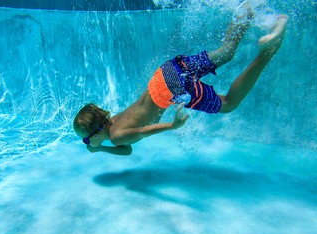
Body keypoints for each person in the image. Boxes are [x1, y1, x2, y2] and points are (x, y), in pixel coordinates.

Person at [73, 3, 288, 156]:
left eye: (85, 139)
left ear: (96, 133)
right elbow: (127, 150)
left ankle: (267, 52)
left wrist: (172, 126)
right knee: (226, 51)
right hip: (166, 72)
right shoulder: (114, 123)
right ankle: (247, 12)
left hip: (173, 89)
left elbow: (141, 132)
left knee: (228, 104)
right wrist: (100, 147)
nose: (86, 143)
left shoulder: (118, 135)